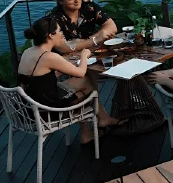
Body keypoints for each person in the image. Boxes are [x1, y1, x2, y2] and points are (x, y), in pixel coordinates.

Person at [17, 17, 121, 145]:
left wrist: (60, 69)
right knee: (85, 87)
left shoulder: (28, 52)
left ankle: (97, 124)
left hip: (29, 106)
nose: (62, 35)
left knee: (82, 82)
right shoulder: (49, 56)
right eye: (59, 31)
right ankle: (95, 126)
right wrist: (84, 55)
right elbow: (81, 72)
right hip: (47, 111)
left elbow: (39, 78)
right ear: (50, 35)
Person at [44, 0, 118, 53]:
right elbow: (61, 47)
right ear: (60, 1)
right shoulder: (53, 18)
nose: (77, 1)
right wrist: (95, 40)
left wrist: (90, 40)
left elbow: (111, 26)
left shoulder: (88, 6)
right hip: (65, 58)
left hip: (91, 50)